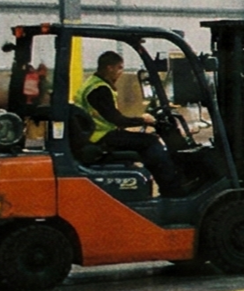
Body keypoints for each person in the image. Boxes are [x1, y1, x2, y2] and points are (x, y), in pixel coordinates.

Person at [74, 50, 183, 193]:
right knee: (151, 142)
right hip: (101, 136)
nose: (121, 72)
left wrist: (140, 120)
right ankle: (172, 188)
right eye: (120, 68)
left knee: (142, 140)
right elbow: (117, 119)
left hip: (94, 134)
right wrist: (143, 120)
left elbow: (111, 116)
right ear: (110, 68)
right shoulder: (99, 89)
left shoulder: (91, 83)